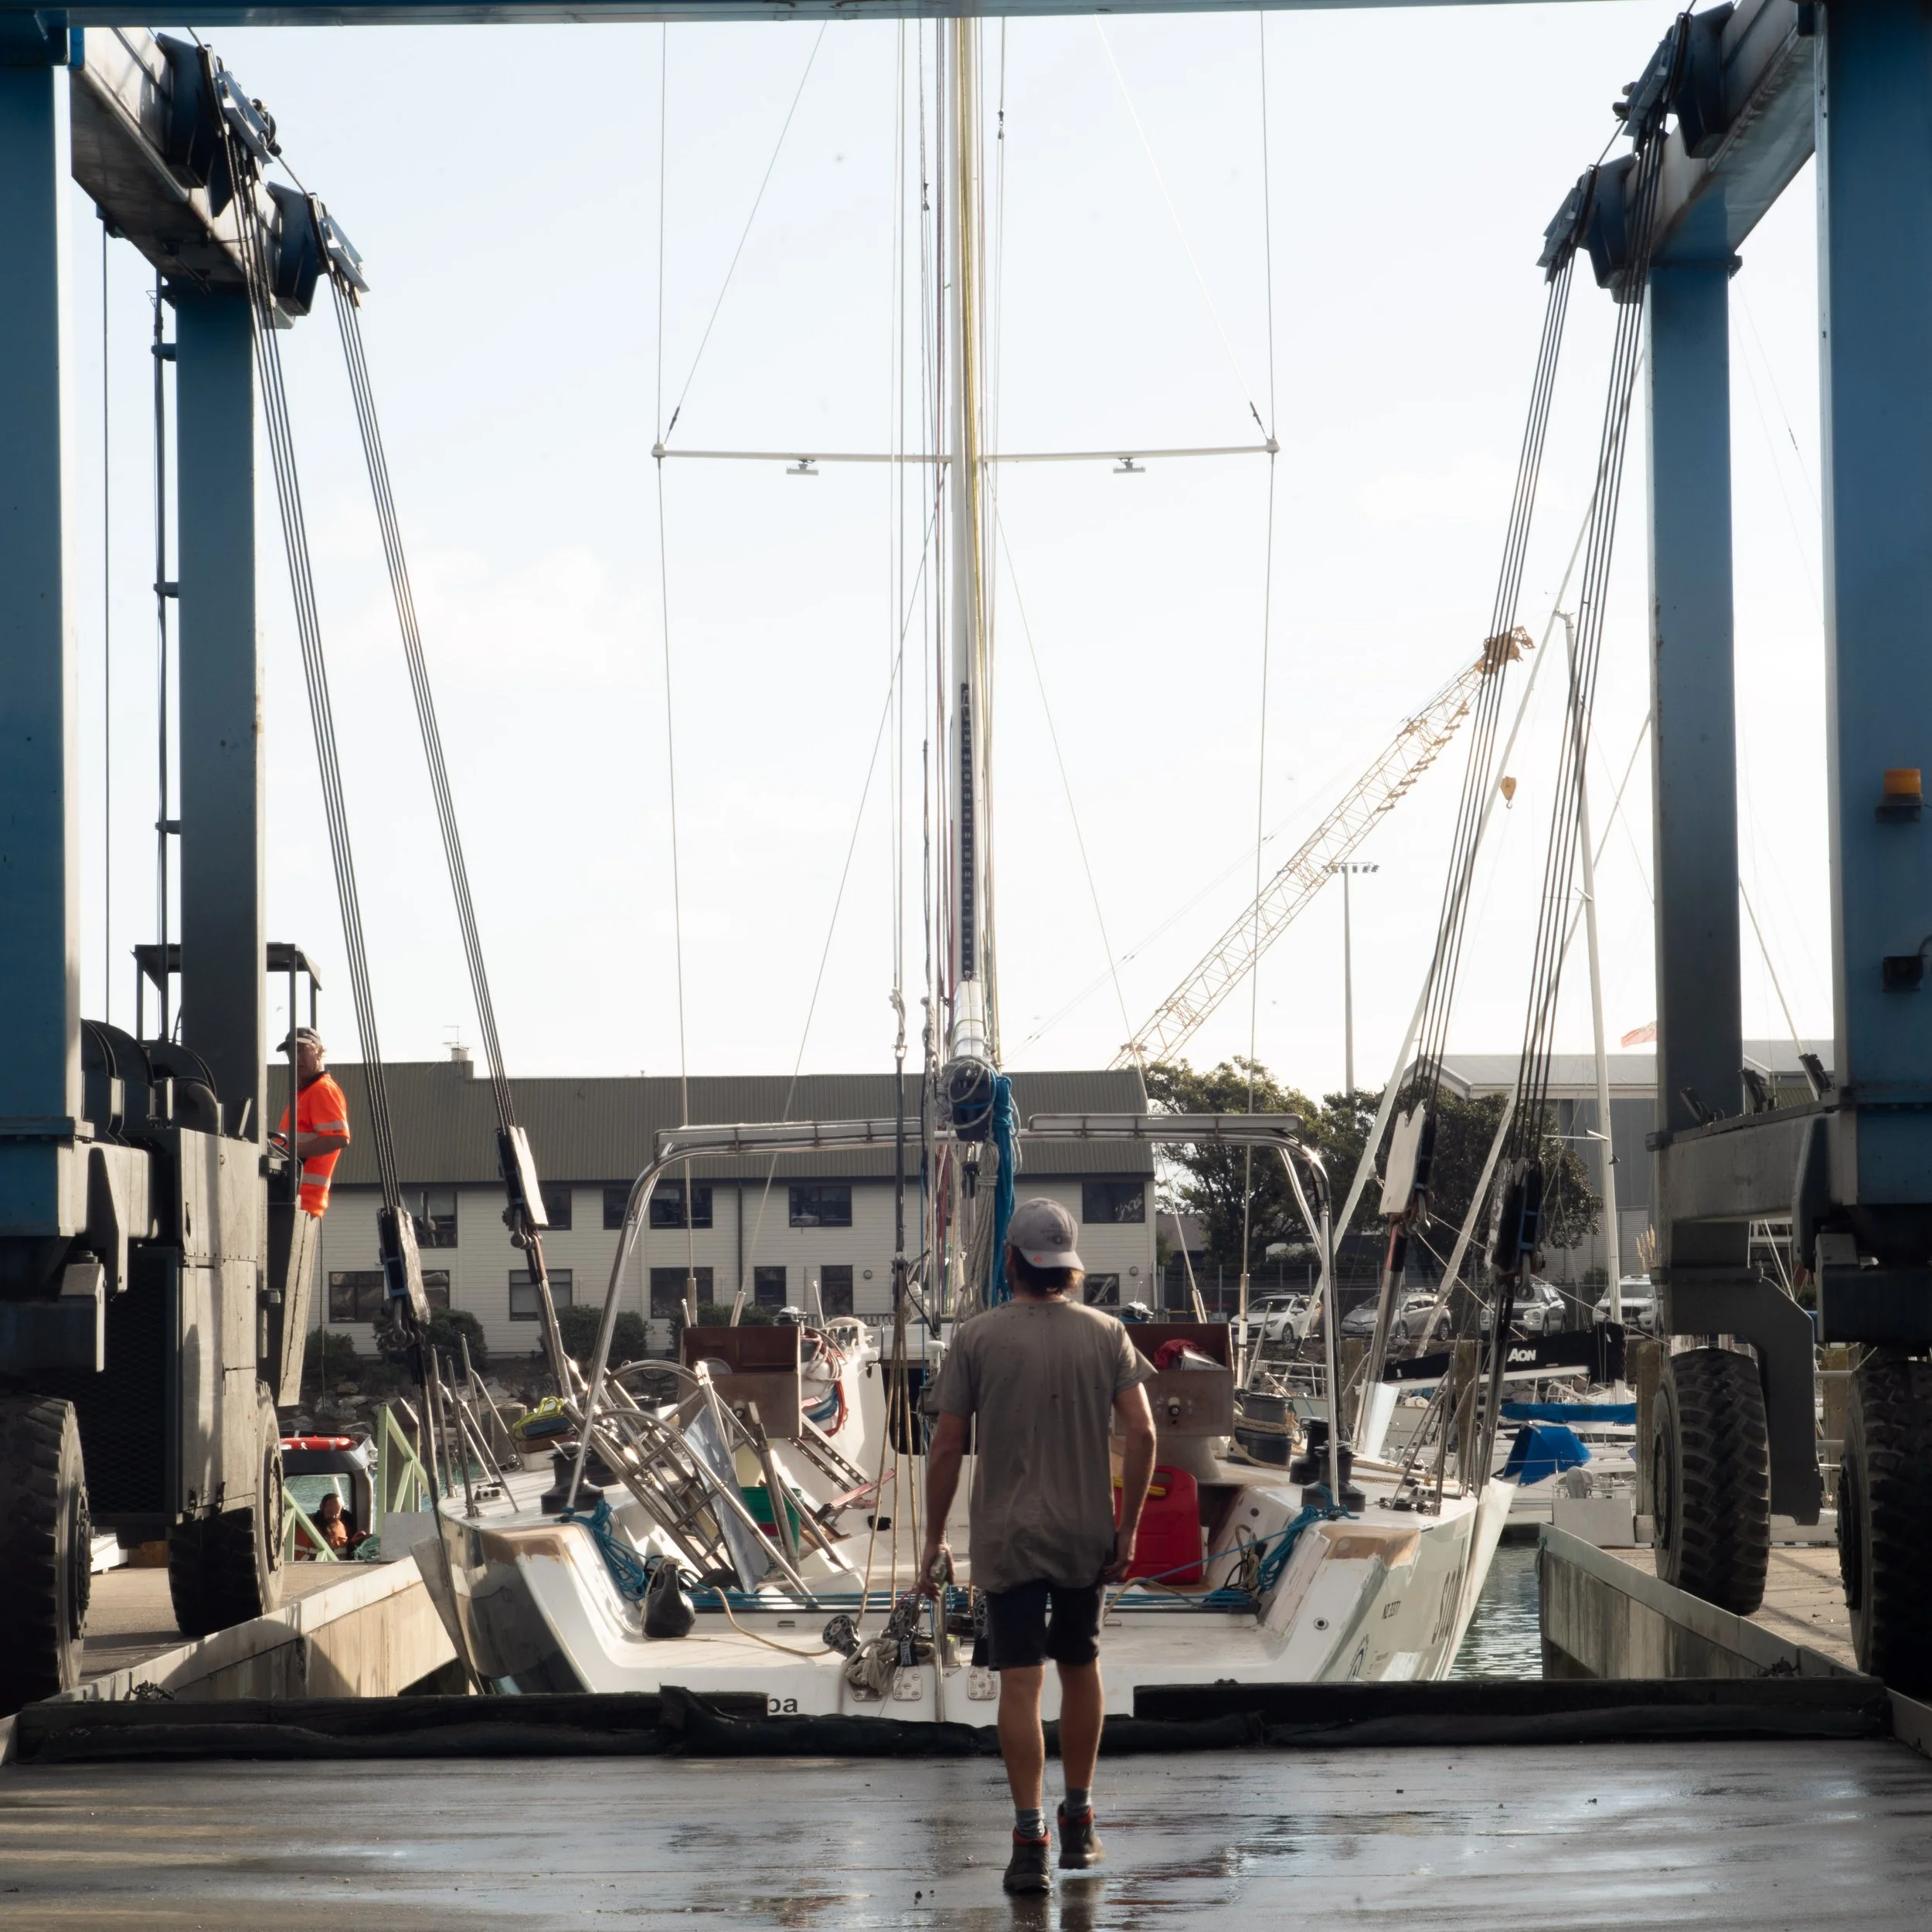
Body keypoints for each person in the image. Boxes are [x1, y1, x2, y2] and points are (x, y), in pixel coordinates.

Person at [921, 1196, 1158, 1896]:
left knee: (1020, 1681)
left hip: (1008, 1535)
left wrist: (935, 1542)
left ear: (1011, 1262)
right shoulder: (1108, 1333)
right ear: (1069, 1267)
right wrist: (1130, 1525)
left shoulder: (977, 1338)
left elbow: (945, 1448)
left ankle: (1030, 1841)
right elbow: (1143, 1435)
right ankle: (1080, 1825)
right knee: (1081, 1665)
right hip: (1087, 1530)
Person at [272, 1028, 351, 1218]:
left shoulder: (322, 1090)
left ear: (319, 1051)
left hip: (301, 1201)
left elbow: (338, 1139)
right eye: (291, 1052)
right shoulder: (305, 1093)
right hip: (292, 1198)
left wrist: (289, 1154)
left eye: (302, 1050)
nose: (296, 1057)